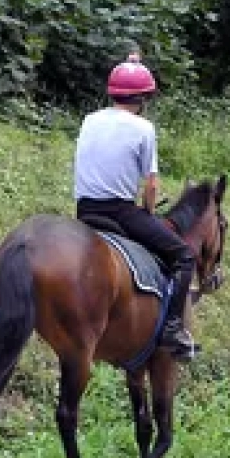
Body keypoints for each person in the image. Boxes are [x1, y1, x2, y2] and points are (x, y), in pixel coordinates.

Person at [72, 53, 198, 361]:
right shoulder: (143, 128)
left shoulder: (90, 119)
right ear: (142, 98)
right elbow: (151, 185)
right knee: (184, 256)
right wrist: (149, 211)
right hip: (119, 212)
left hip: (84, 210)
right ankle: (172, 328)